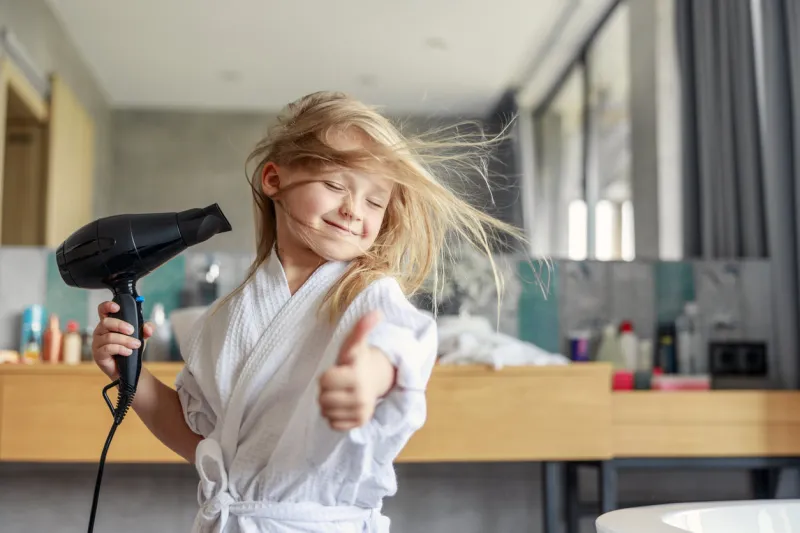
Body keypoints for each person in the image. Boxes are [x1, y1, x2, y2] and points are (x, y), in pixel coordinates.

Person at [91, 91, 524, 533]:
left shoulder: (368, 292)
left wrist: (368, 379)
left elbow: (397, 345)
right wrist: (133, 376)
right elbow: (203, 442)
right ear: (273, 180)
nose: (354, 209)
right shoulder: (224, 317)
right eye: (336, 185)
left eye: (375, 201)